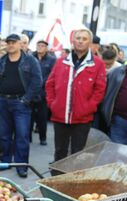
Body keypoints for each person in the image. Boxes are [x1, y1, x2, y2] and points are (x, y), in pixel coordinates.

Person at [46, 28, 106, 163]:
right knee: (60, 151)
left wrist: (88, 107)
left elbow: (99, 90)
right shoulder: (61, 61)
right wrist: (53, 104)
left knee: (77, 154)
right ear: (73, 41)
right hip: (60, 116)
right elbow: (50, 84)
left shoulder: (97, 64)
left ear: (90, 43)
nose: (80, 41)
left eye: (84, 39)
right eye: (78, 38)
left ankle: (73, 182)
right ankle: (57, 181)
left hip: (82, 119)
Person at [0, 34, 42, 177]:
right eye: (9, 43)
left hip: (21, 104)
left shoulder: (30, 61)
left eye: (14, 42)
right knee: (5, 135)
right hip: (3, 103)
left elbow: (37, 81)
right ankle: (6, 161)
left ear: (20, 44)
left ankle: (21, 165)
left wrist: (26, 99)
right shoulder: (1, 61)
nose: (11, 45)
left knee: (22, 135)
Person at [31, 40, 56, 145]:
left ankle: (43, 138)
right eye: (39, 45)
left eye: (42, 46)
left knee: (42, 116)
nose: (40, 47)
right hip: (31, 91)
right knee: (29, 116)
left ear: (46, 48)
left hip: (44, 92)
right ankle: (28, 137)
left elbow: (52, 75)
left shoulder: (51, 60)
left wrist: (42, 83)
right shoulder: (31, 57)